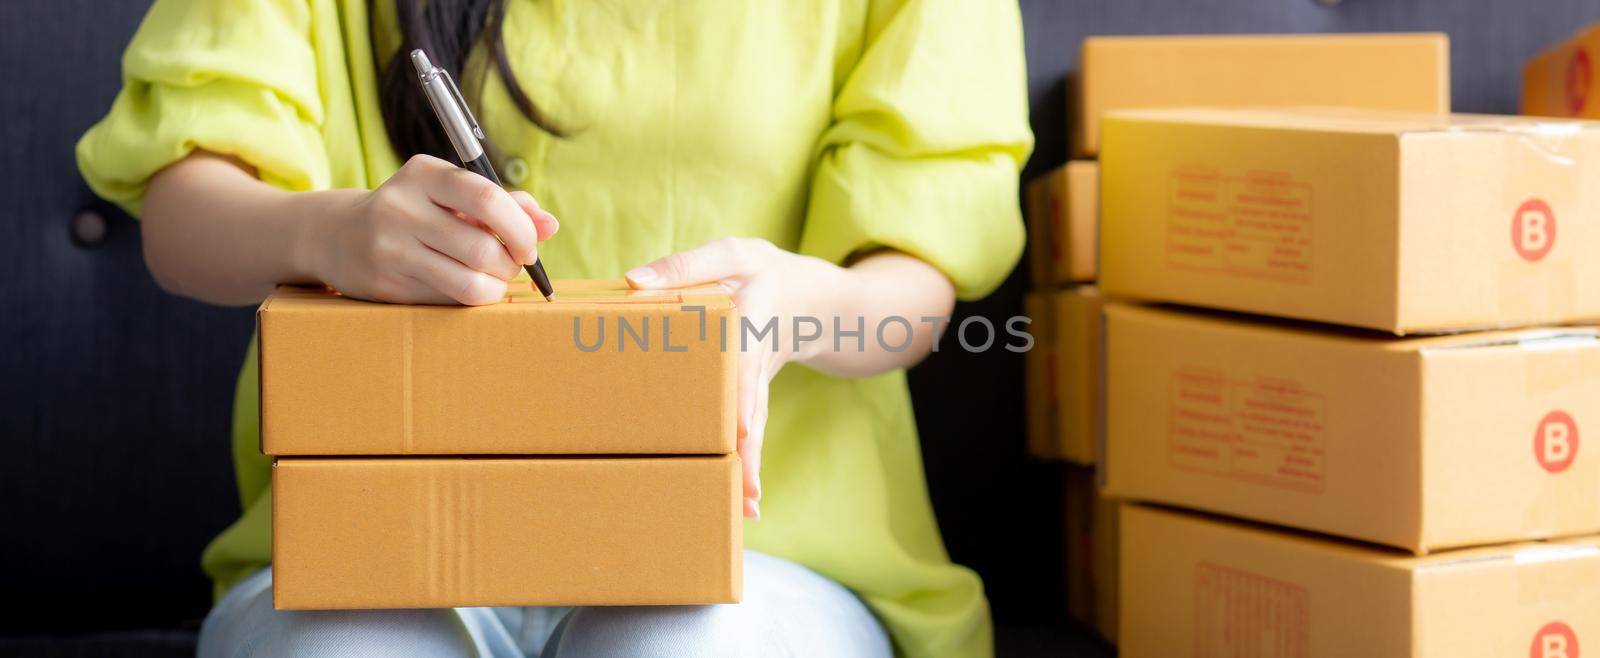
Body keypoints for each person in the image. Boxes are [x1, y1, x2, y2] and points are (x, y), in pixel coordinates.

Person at [77, 0, 1031, 656]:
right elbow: (183, 217)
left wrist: (801, 311)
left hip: (774, 547)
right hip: (370, 542)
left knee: (684, 643)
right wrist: (329, 231)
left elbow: (914, 289)